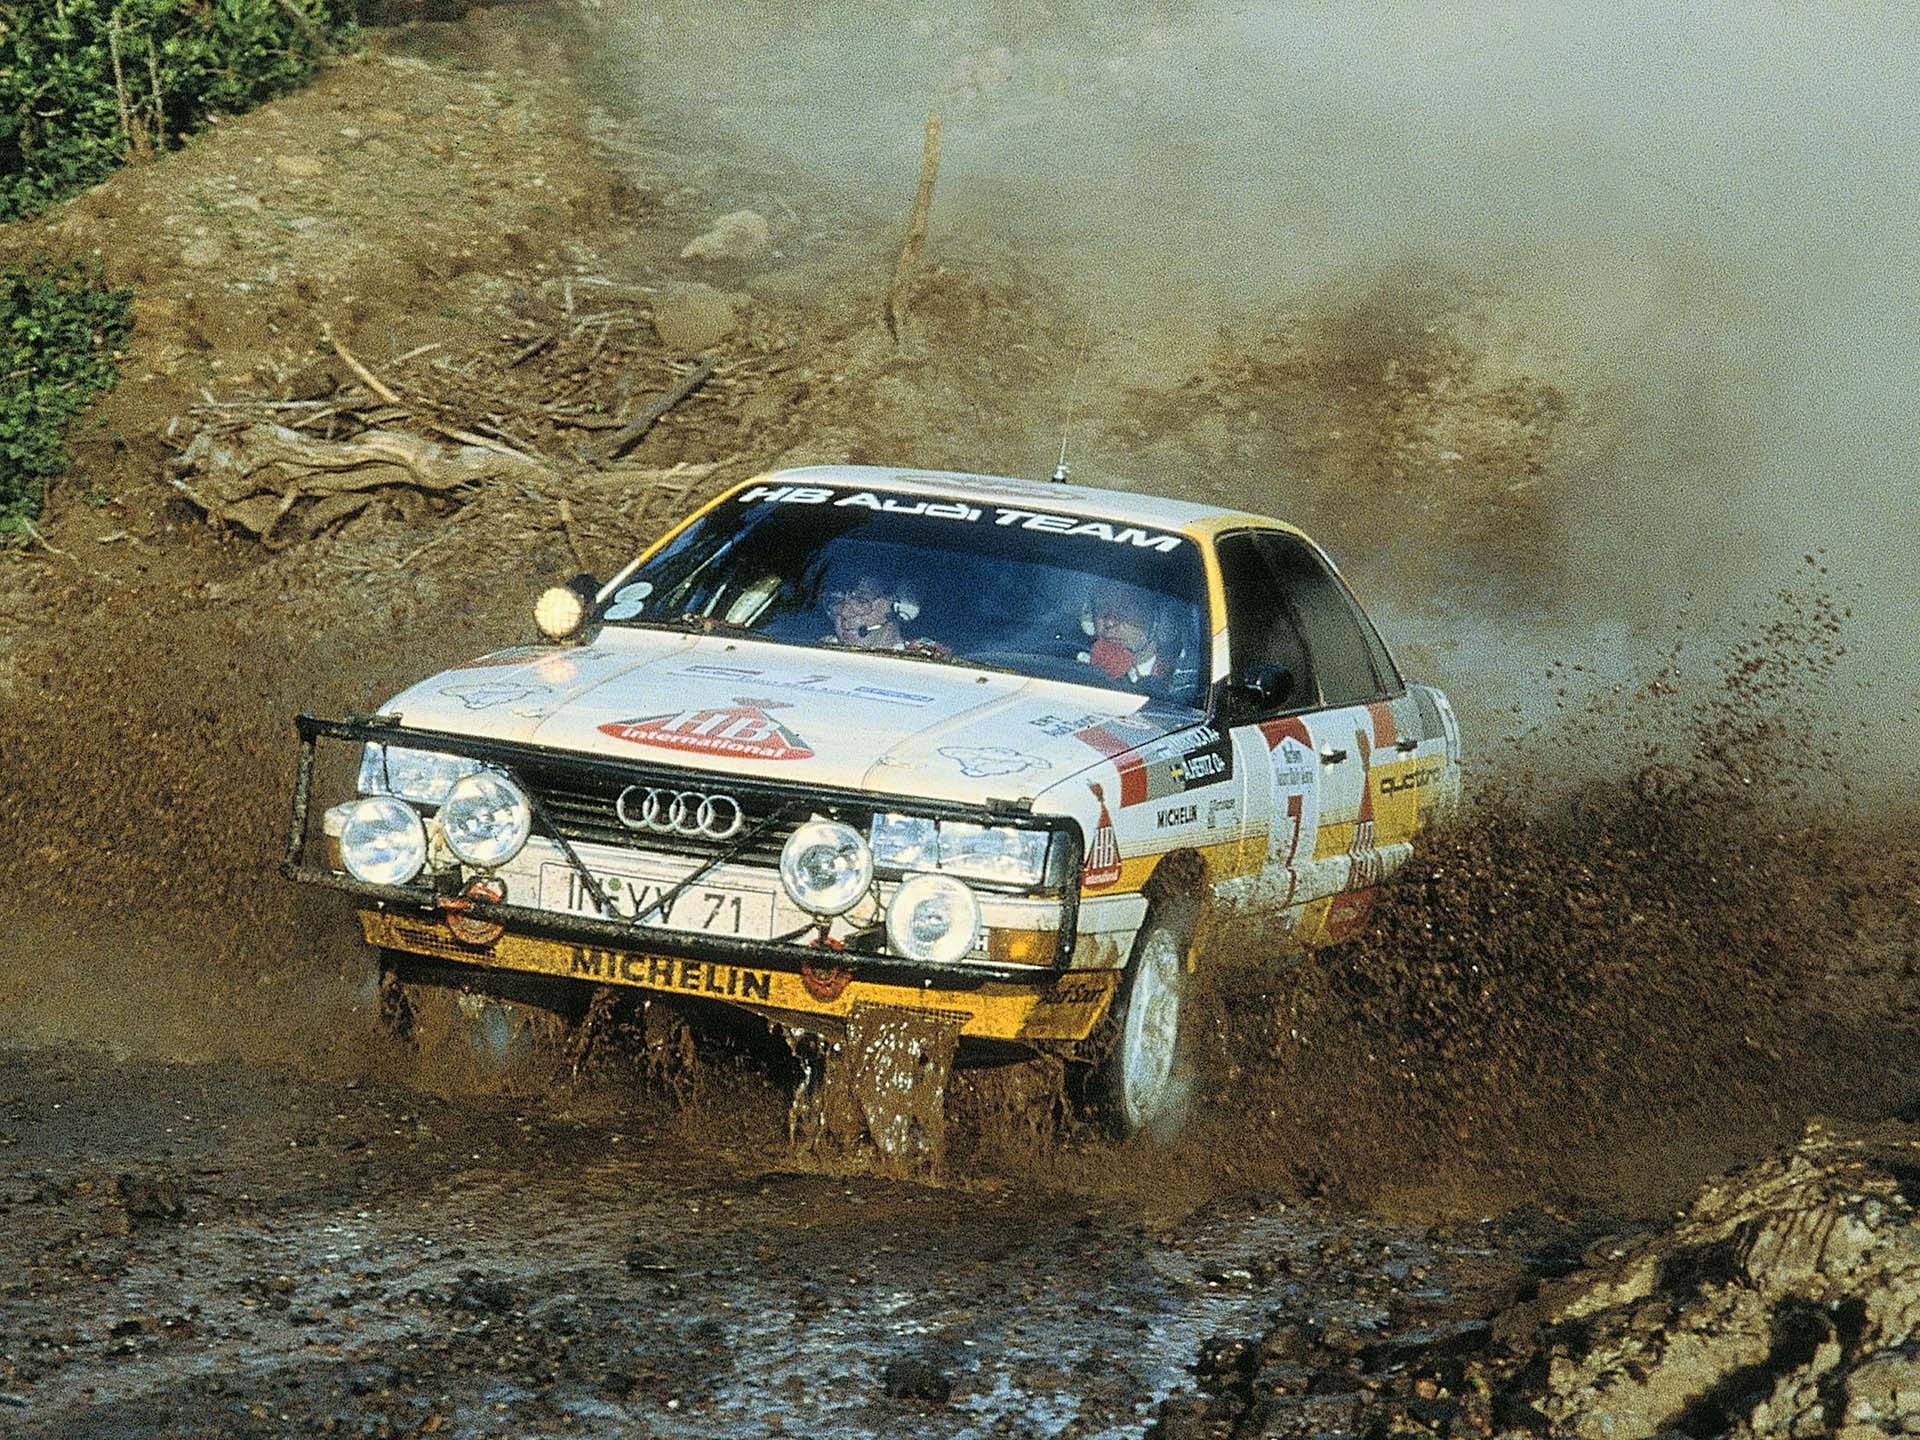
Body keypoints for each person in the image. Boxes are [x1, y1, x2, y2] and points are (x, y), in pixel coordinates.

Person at [1080, 579, 1183, 687]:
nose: (1110, 622)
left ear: (1157, 619)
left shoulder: (1180, 678)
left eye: (1125, 609)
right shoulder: (1076, 664)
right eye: (1101, 607)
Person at [823, 570, 921, 651]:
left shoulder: (925, 660)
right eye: (837, 601)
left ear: (892, 606)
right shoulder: (817, 652)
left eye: (861, 601)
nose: (844, 612)